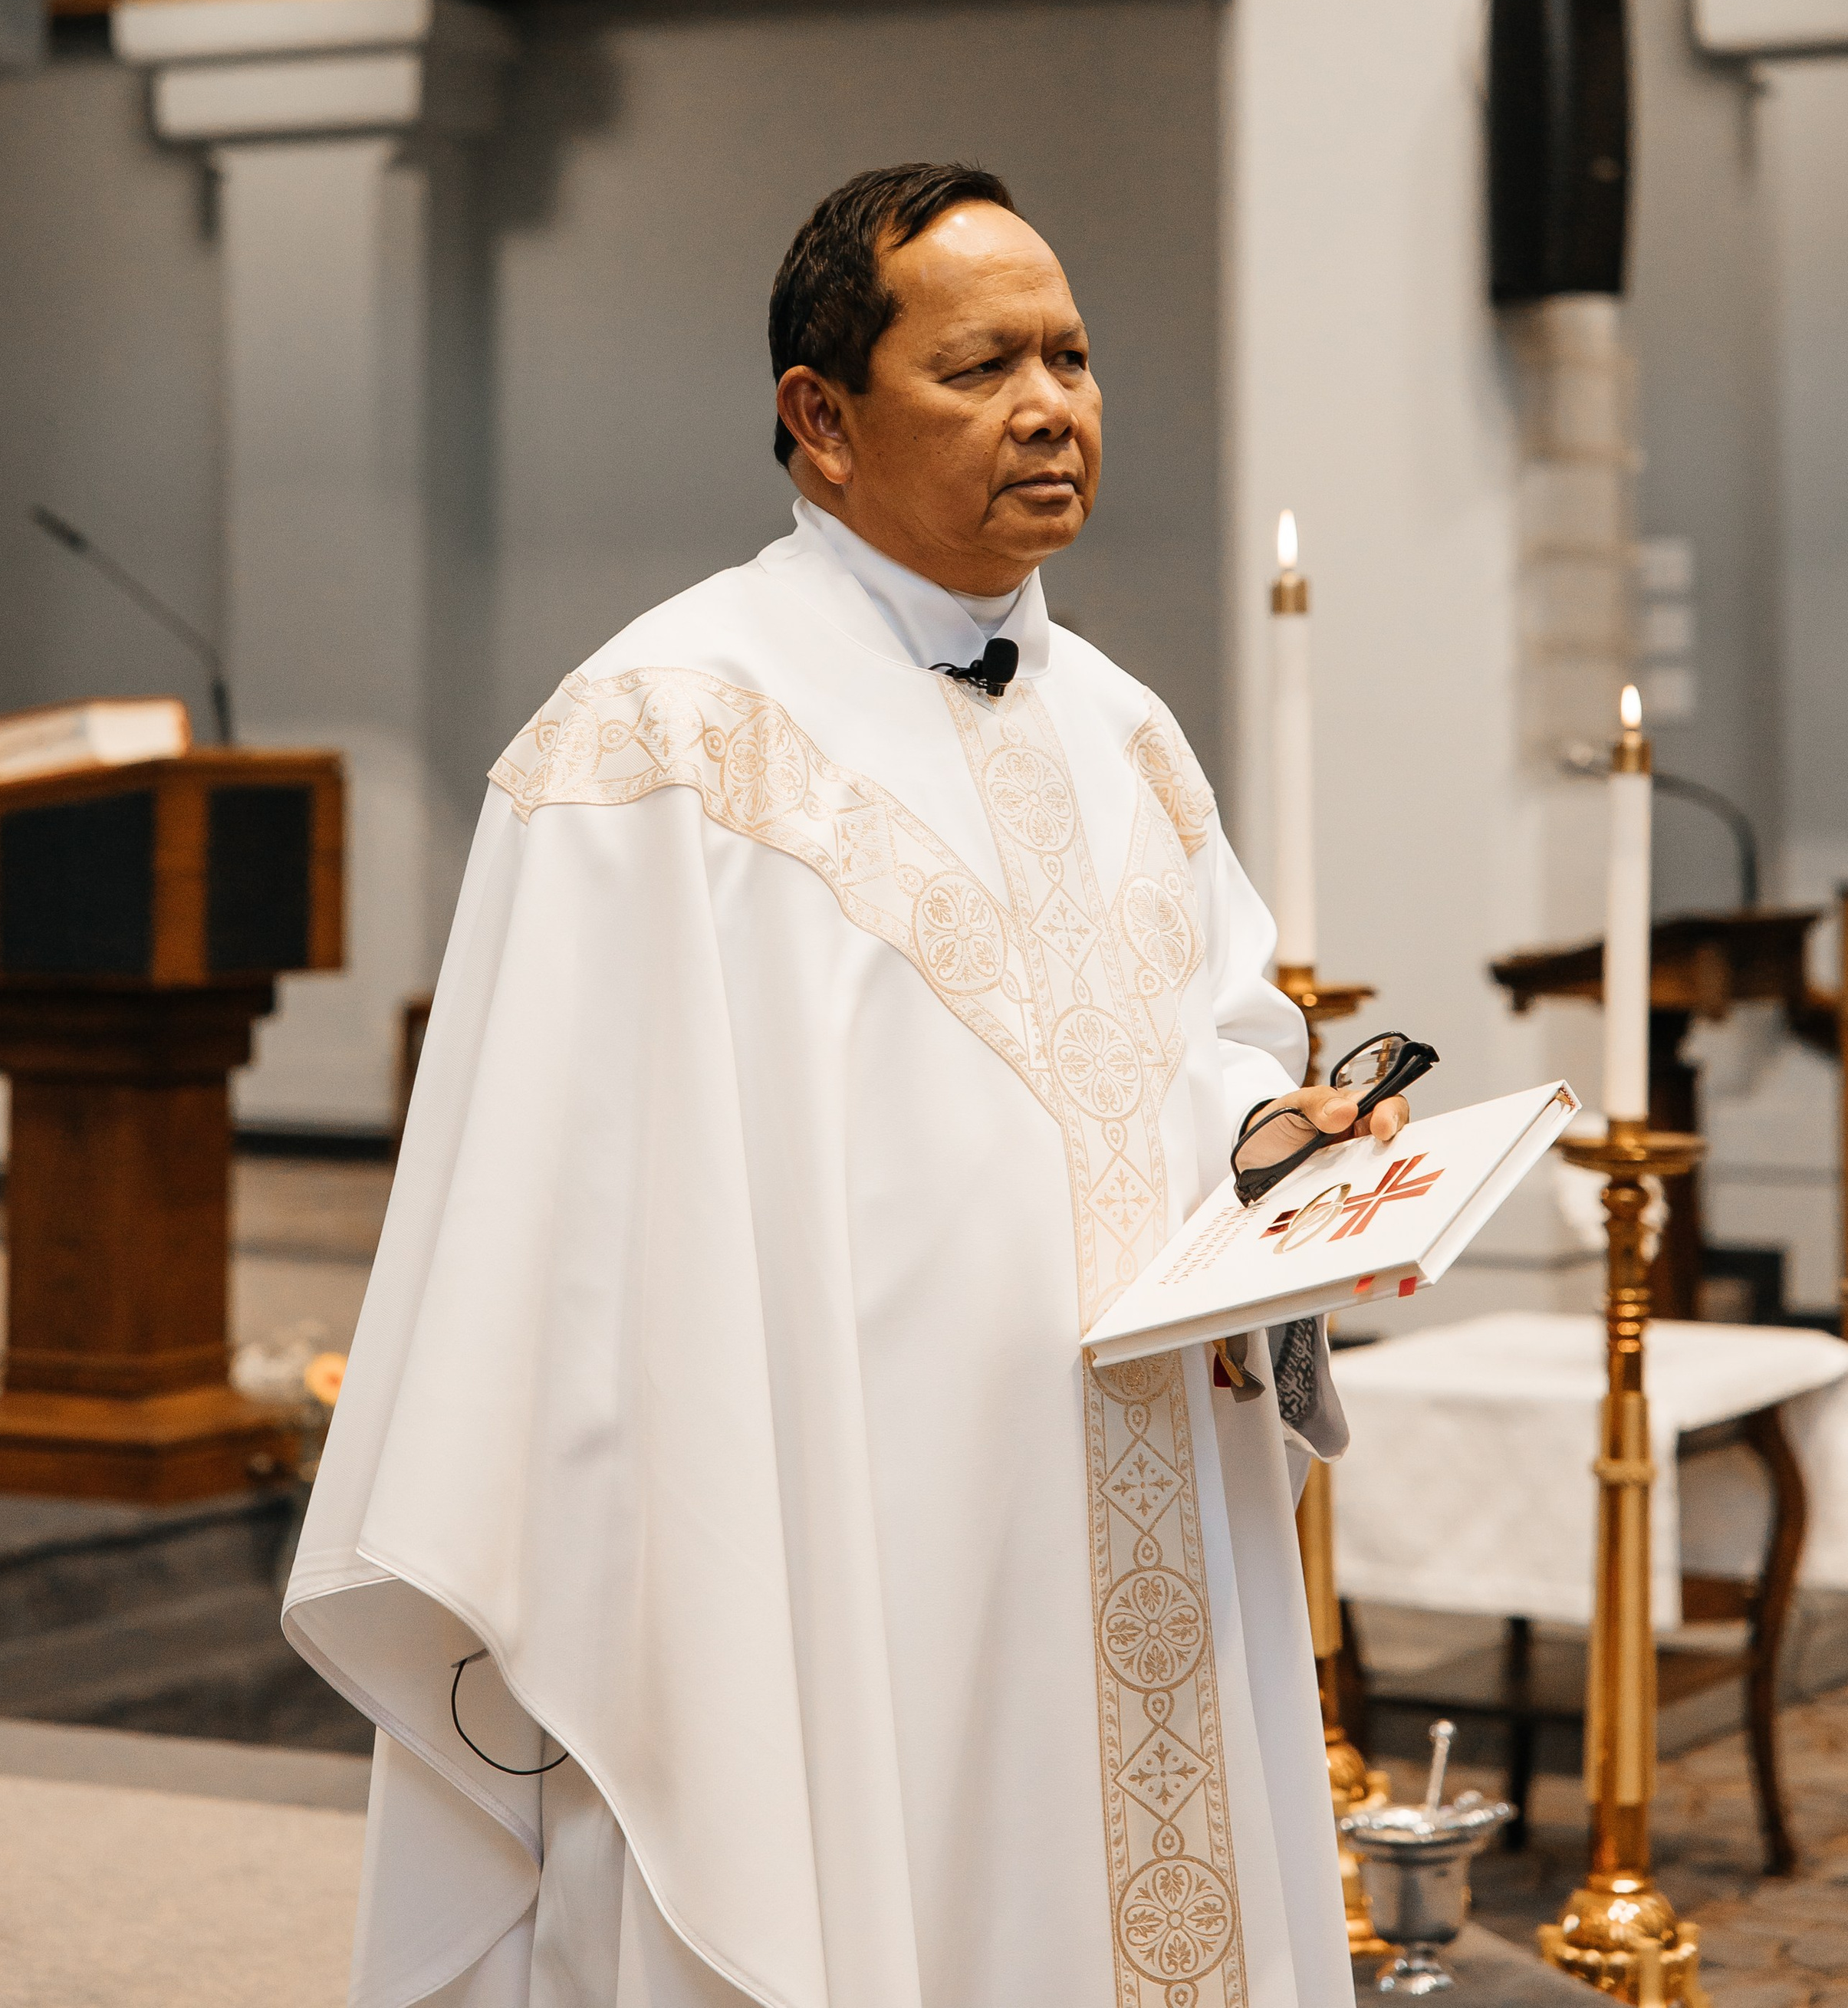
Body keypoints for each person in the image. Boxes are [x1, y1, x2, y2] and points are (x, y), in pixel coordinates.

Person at [286, 161, 1407, 2008]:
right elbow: (555, 1227)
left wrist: (1266, 1146)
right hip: (840, 1532)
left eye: (1070, 355)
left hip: (1129, 1512)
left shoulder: (1123, 729)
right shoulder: (658, 731)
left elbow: (1207, 1040)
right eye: (980, 368)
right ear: (821, 420)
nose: (1051, 406)